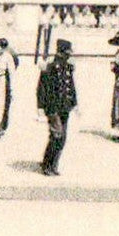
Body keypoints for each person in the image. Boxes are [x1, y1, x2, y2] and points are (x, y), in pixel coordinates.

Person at [36, 39, 78, 176]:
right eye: (67, 53)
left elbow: (71, 86)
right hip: (53, 107)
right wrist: (41, 107)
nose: (69, 56)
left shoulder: (68, 67)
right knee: (56, 136)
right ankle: (47, 165)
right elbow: (41, 88)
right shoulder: (50, 67)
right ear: (61, 53)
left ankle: (54, 165)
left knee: (62, 137)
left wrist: (74, 103)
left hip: (65, 107)